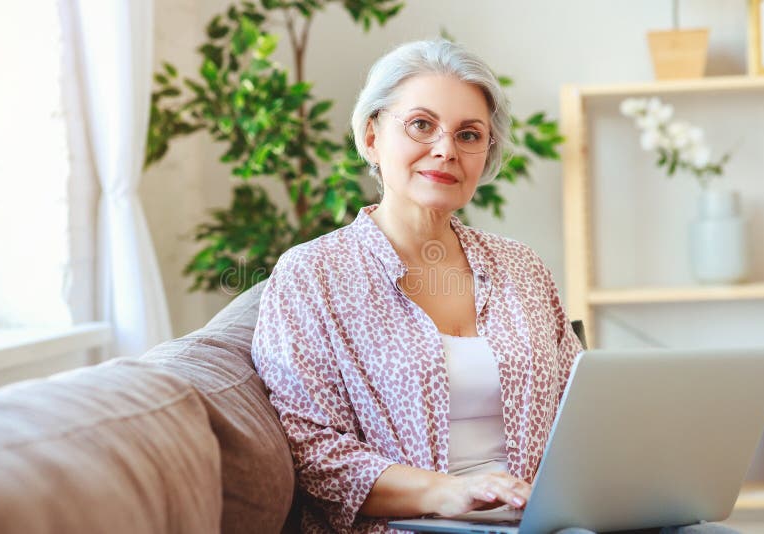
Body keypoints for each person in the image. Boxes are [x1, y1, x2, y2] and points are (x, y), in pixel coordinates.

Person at [251, 39, 738, 534]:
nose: (445, 149)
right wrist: (451, 493)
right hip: (414, 526)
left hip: (549, 521)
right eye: (421, 125)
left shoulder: (520, 266)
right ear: (373, 136)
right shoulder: (312, 275)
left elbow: (583, 412)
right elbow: (314, 455)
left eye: (468, 134)